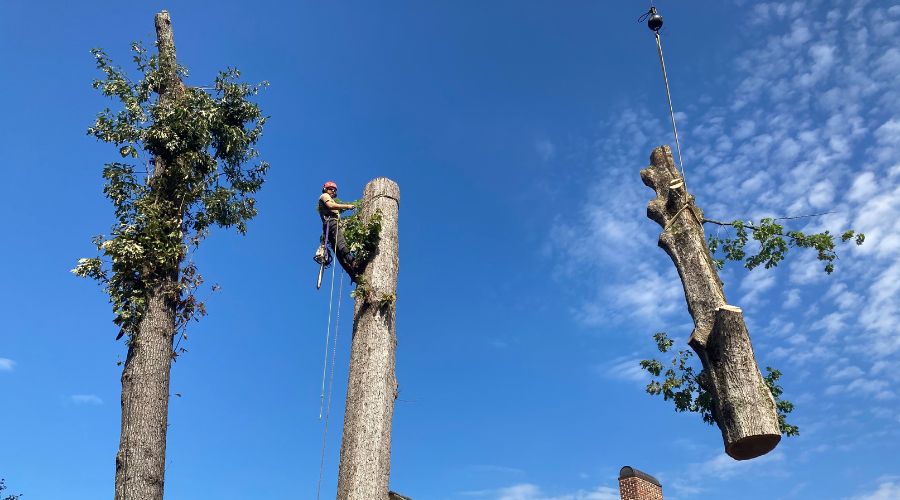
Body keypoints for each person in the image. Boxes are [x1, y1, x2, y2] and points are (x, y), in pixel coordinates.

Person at [318, 181, 359, 279]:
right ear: (326, 189)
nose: (332, 191)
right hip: (331, 223)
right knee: (341, 244)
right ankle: (354, 261)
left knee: (339, 254)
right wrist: (347, 206)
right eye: (331, 189)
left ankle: (353, 274)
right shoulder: (324, 196)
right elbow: (331, 206)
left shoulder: (331, 200)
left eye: (334, 190)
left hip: (330, 225)